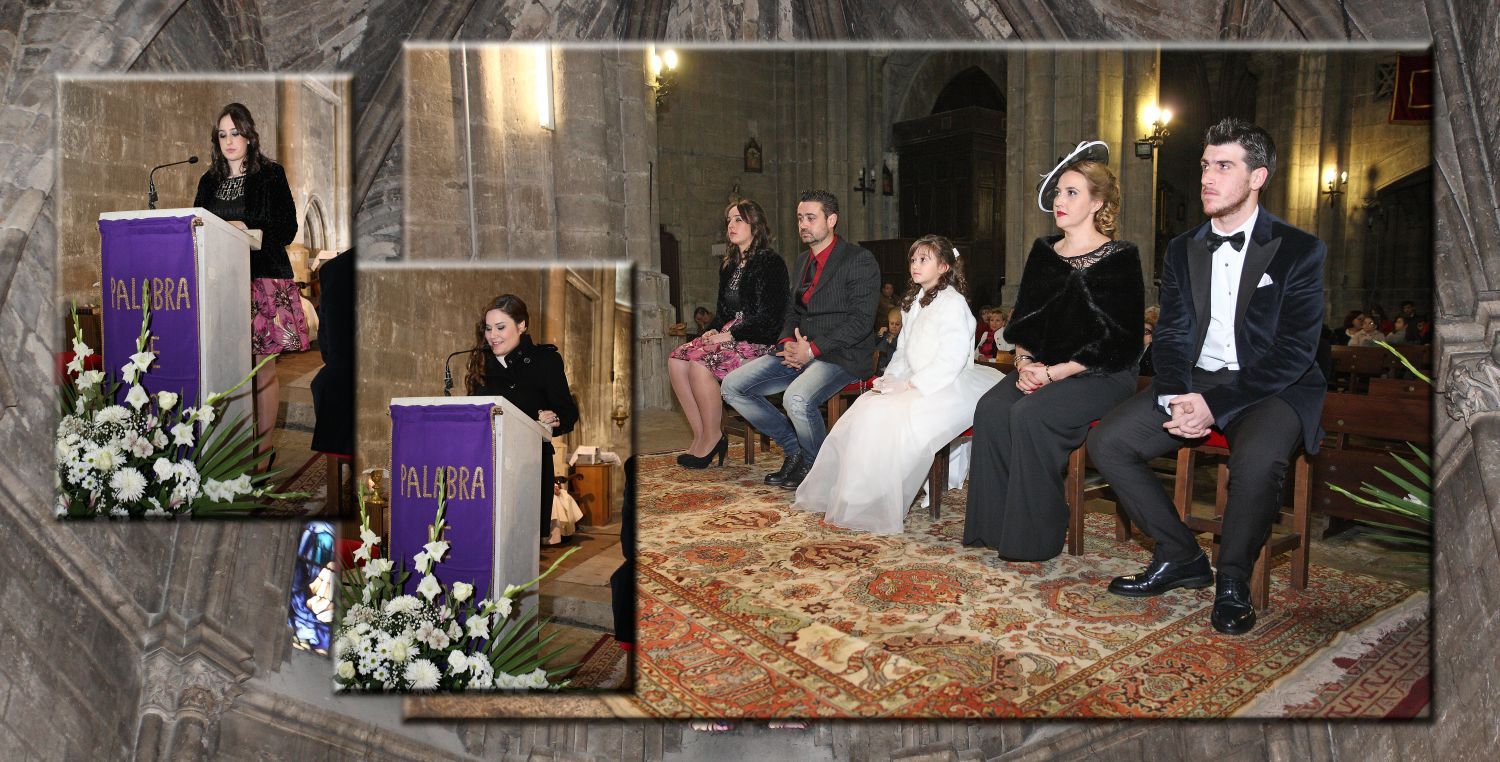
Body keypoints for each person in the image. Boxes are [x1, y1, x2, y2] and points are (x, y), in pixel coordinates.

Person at [1088, 118, 1327, 636]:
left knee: (1258, 461)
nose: (1207, 178)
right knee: (1109, 442)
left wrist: (1215, 407)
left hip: (1271, 387)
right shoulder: (1183, 248)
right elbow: (1173, 333)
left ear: (1257, 177)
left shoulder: (1298, 249)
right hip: (1196, 378)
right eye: (1204, 166)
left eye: (1223, 166)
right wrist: (1178, 393)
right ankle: (1181, 556)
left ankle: (1233, 580)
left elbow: (1294, 352)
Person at [961, 140, 1144, 561]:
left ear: (1097, 203)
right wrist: (1025, 361)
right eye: (1058, 192)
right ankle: (994, 528)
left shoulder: (1121, 257)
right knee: (991, 409)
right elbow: (1024, 322)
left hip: (1099, 372)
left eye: (1071, 193)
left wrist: (1053, 373)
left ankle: (1036, 536)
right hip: (1041, 365)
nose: (1059, 201)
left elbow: (1121, 341)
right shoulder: (1044, 252)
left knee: (1030, 415)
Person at [795, 235, 1003, 534]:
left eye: (924, 260)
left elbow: (952, 359)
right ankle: (857, 494)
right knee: (865, 409)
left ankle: (878, 497)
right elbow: (904, 350)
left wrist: (911, 385)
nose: (915, 265)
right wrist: (891, 377)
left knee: (897, 420)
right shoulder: (914, 301)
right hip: (912, 378)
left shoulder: (953, 304)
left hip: (945, 383)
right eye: (913, 259)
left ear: (944, 267)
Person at [721, 190, 879, 491]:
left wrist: (813, 350)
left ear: (831, 220)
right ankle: (794, 448)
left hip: (841, 355)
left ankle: (817, 467)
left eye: (810, 218)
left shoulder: (858, 260)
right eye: (799, 218)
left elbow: (861, 322)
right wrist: (786, 344)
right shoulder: (803, 260)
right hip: (800, 351)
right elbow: (792, 311)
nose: (803, 224)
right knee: (733, 386)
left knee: (796, 397)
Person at [192, 102, 307, 469]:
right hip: (222, 283)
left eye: (235, 133)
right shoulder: (209, 181)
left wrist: (248, 229)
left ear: (249, 137)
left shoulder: (270, 174)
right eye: (222, 135)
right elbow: (196, 226)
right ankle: (233, 445)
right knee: (229, 368)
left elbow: (288, 228)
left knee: (261, 367)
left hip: (263, 279)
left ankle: (263, 450)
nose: (229, 141)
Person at [668, 200, 790, 468]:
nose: (731, 226)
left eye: (738, 220)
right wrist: (713, 329)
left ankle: (713, 437)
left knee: (699, 363)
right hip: (730, 335)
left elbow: (771, 319)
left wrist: (731, 334)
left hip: (758, 341)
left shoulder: (770, 262)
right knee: (676, 359)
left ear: (755, 225)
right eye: (729, 221)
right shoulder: (729, 265)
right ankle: (701, 435)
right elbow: (724, 312)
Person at [464, 294, 580, 545]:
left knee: (522, 545)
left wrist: (555, 417)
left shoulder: (545, 360)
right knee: (484, 540)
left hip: (530, 467)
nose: (493, 335)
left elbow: (568, 412)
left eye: (500, 327)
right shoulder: (481, 363)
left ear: (521, 325)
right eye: (488, 328)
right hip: (487, 465)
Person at [874, 308, 901, 373]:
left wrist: (892, 341)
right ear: (888, 323)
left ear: (902, 325)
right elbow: (872, 343)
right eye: (891, 323)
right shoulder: (884, 334)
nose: (894, 326)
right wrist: (879, 334)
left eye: (897, 324)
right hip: (875, 365)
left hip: (890, 369)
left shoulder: (901, 339)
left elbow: (901, 349)